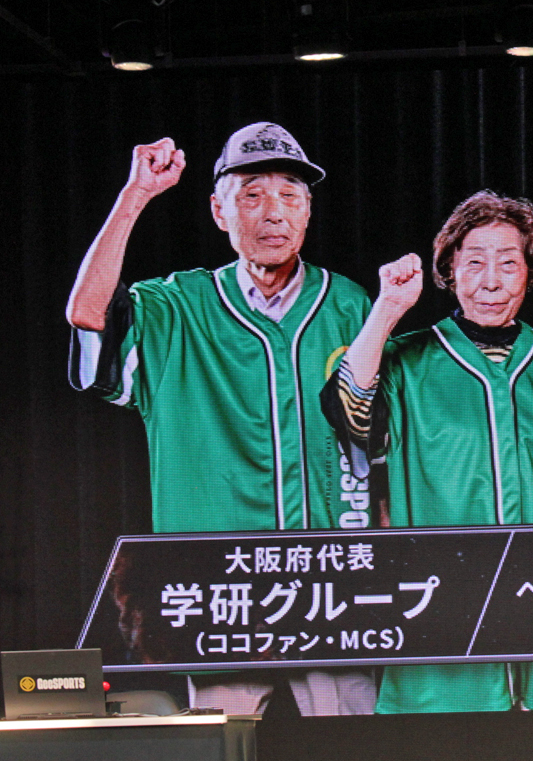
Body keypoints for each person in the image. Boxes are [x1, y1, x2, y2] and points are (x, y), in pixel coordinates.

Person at [66, 122, 377, 715]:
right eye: (252, 194)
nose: (273, 211)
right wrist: (136, 195)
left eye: (290, 194)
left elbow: (379, 446)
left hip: (330, 587)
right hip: (219, 590)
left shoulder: (349, 304)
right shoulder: (176, 307)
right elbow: (88, 314)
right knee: (223, 754)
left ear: (308, 211)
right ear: (219, 211)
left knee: (354, 754)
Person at [324, 190, 533, 713]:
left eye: (508, 263)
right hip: (439, 610)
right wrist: (388, 308)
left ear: (530, 271)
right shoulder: (408, 359)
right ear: (450, 271)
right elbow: (348, 412)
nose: (491, 281)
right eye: (474, 263)